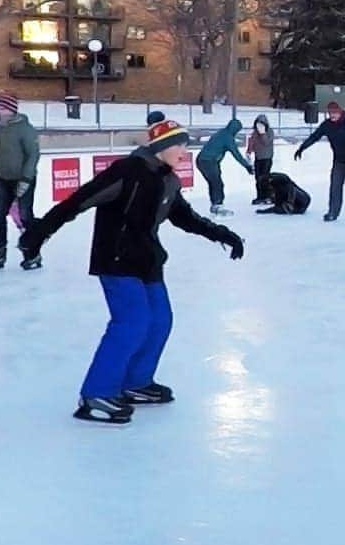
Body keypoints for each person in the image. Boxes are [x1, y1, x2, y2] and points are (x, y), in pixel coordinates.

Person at [18, 121, 244, 424]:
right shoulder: (128, 171)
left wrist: (223, 234)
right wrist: (39, 233)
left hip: (147, 259)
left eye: (185, 144)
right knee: (132, 322)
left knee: (160, 320)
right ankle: (96, 394)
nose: (184, 151)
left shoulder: (168, 180)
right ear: (160, 147)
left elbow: (186, 218)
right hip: (116, 258)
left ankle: (136, 382)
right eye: (178, 144)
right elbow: (79, 200)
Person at [0, 93, 41, 281]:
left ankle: (32, 252)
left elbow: (33, 155)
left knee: (25, 216)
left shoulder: (26, 130)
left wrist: (26, 179)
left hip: (23, 178)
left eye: (3, 108)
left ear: (12, 110)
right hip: (4, 178)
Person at [295, 101, 345, 222]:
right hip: (339, 161)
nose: (332, 115)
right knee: (335, 187)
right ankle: (333, 212)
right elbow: (314, 136)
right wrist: (302, 148)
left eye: (335, 113)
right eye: (330, 113)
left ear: (340, 112)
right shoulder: (327, 125)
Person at [195, 117, 251, 216]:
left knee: (214, 182)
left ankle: (215, 205)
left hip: (202, 160)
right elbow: (236, 154)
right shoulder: (228, 137)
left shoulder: (221, 132)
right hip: (208, 161)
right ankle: (217, 205)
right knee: (217, 183)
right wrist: (247, 166)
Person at [246, 115, 276, 206]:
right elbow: (252, 142)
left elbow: (266, 142)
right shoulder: (255, 133)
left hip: (267, 158)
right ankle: (260, 196)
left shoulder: (270, 132)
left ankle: (268, 196)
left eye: (261, 125)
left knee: (265, 178)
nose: (259, 127)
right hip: (258, 158)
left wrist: (263, 133)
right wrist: (249, 151)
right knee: (258, 178)